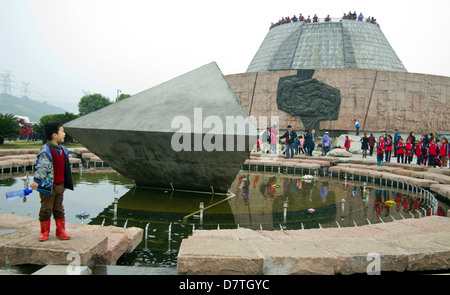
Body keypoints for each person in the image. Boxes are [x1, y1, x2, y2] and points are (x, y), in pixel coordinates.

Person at [30, 122, 74, 242]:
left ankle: (61, 231)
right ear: (54, 135)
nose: (64, 134)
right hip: (47, 185)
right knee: (46, 209)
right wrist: (37, 180)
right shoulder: (46, 150)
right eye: (62, 132)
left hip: (60, 185)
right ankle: (44, 232)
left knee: (59, 208)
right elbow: (42, 166)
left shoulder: (63, 150)